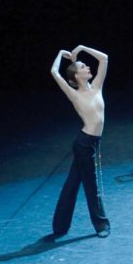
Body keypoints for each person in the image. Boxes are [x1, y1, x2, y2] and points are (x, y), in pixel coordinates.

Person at [49, 46, 111, 238]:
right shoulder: (74, 94)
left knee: (72, 183)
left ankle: (60, 227)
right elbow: (54, 72)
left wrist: (82, 48)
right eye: (83, 66)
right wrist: (60, 53)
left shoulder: (97, 86)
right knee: (91, 184)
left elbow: (105, 58)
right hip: (84, 144)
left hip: (90, 143)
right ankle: (101, 225)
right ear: (77, 76)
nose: (87, 67)